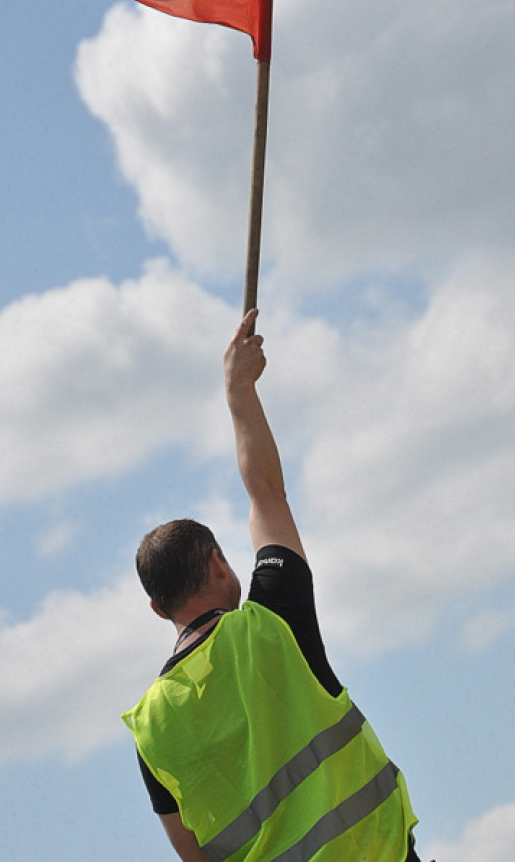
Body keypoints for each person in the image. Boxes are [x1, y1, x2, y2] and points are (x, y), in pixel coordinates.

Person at [124, 309, 424, 862]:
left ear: (155, 606)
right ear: (218, 565)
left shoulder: (152, 727)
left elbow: (195, 858)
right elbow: (267, 495)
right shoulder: (272, 621)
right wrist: (239, 391)